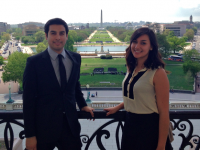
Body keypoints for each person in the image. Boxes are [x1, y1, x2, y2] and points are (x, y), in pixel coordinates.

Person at [23, 18, 94, 150]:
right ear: (46, 35)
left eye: (62, 33)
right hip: (43, 130)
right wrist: (30, 135)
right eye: (53, 33)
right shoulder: (34, 63)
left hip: (70, 128)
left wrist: (83, 105)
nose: (58, 37)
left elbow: (75, 85)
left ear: (66, 36)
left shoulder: (75, 58)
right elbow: (28, 102)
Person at [104, 28, 172, 150]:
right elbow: (136, 97)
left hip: (149, 129)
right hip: (130, 125)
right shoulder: (132, 67)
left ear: (151, 47)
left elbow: (164, 112)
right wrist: (117, 107)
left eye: (143, 43)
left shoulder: (158, 73)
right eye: (134, 41)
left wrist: (161, 146)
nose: (137, 46)